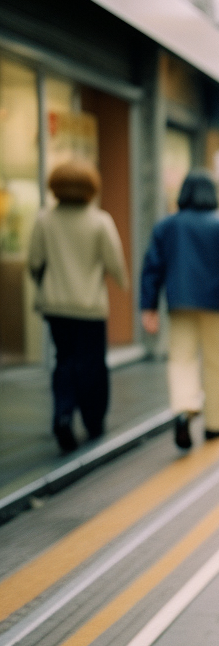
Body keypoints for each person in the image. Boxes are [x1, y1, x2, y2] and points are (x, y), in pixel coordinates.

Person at [140, 171, 219, 449]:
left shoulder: (166, 226)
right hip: (217, 304)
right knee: (217, 363)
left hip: (179, 303)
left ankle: (184, 407)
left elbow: (151, 268)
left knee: (181, 358)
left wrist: (148, 307)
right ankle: (216, 425)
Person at [28, 160, 127, 452]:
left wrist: (45, 282)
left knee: (65, 360)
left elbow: (34, 262)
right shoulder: (100, 220)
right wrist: (123, 284)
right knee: (93, 364)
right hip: (90, 307)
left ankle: (63, 415)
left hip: (55, 306)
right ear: (91, 188)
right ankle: (93, 421)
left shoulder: (44, 219)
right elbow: (115, 263)